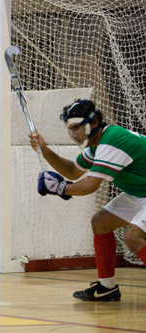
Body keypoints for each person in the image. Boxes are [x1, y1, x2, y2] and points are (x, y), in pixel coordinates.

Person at [30, 99, 146, 302]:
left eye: (77, 127)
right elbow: (73, 172)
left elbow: (89, 186)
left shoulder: (112, 139)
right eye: (70, 129)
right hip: (140, 193)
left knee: (133, 237)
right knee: (100, 223)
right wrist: (45, 149)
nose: (74, 135)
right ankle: (107, 288)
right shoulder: (97, 146)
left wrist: (58, 188)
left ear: (94, 123)